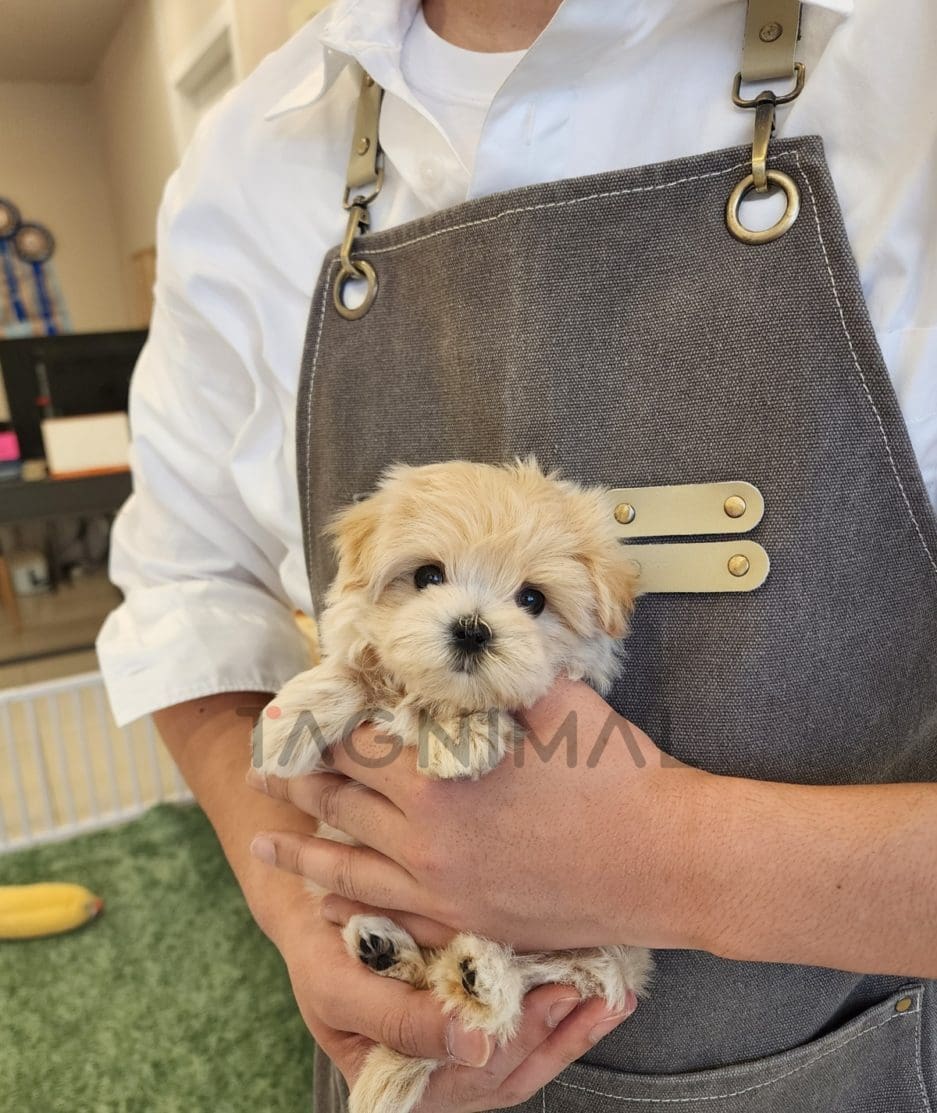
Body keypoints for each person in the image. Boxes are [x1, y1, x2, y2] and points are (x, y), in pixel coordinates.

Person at [98, 1, 937, 1110]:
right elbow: (187, 589)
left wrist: (675, 858)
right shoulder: (248, 157)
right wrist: (311, 903)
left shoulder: (901, 53)